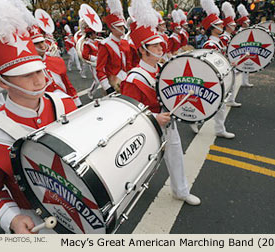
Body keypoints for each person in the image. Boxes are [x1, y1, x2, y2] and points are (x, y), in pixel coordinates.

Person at [0, 0, 77, 234]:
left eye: (39, 70)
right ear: (1, 81)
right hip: (37, 221)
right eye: (25, 75)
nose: (39, 80)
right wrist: (12, 218)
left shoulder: (65, 104)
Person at [120, 0, 200, 206]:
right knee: (139, 162)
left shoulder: (163, 69)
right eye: (155, 45)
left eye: (159, 44)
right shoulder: (133, 79)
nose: (161, 47)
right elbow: (129, 113)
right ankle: (127, 190)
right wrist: (154, 117)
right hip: (147, 128)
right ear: (143, 50)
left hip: (168, 123)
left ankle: (180, 190)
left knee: (176, 155)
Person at [195, 0, 235, 139]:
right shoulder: (210, 44)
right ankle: (213, 126)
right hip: (211, 77)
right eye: (218, 24)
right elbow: (209, 65)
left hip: (219, 76)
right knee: (209, 103)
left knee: (217, 104)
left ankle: (218, 128)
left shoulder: (217, 42)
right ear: (212, 28)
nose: (222, 25)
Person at [30, 25, 82, 107]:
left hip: (65, 101)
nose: (41, 46)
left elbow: (67, 84)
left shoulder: (57, 61)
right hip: (47, 107)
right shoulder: (28, 68)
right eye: (36, 43)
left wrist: (77, 102)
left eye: (42, 42)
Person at [96, 0, 132, 94]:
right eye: (119, 27)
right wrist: (107, 87)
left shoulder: (125, 42)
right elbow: (100, 68)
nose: (123, 29)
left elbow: (129, 63)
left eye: (122, 27)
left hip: (127, 79)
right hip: (113, 82)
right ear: (112, 28)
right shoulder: (105, 45)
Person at [220, 1, 241, 108]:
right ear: (227, 26)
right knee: (229, 83)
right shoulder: (224, 37)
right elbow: (222, 52)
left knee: (233, 83)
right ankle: (229, 99)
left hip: (230, 62)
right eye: (232, 25)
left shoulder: (228, 36)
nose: (234, 27)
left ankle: (231, 99)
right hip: (227, 64)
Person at [236, 4, 254, 87]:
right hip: (241, 52)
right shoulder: (240, 31)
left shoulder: (248, 30)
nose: (249, 23)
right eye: (247, 22)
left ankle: (245, 82)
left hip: (247, 50)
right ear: (243, 23)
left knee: (246, 67)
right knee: (238, 68)